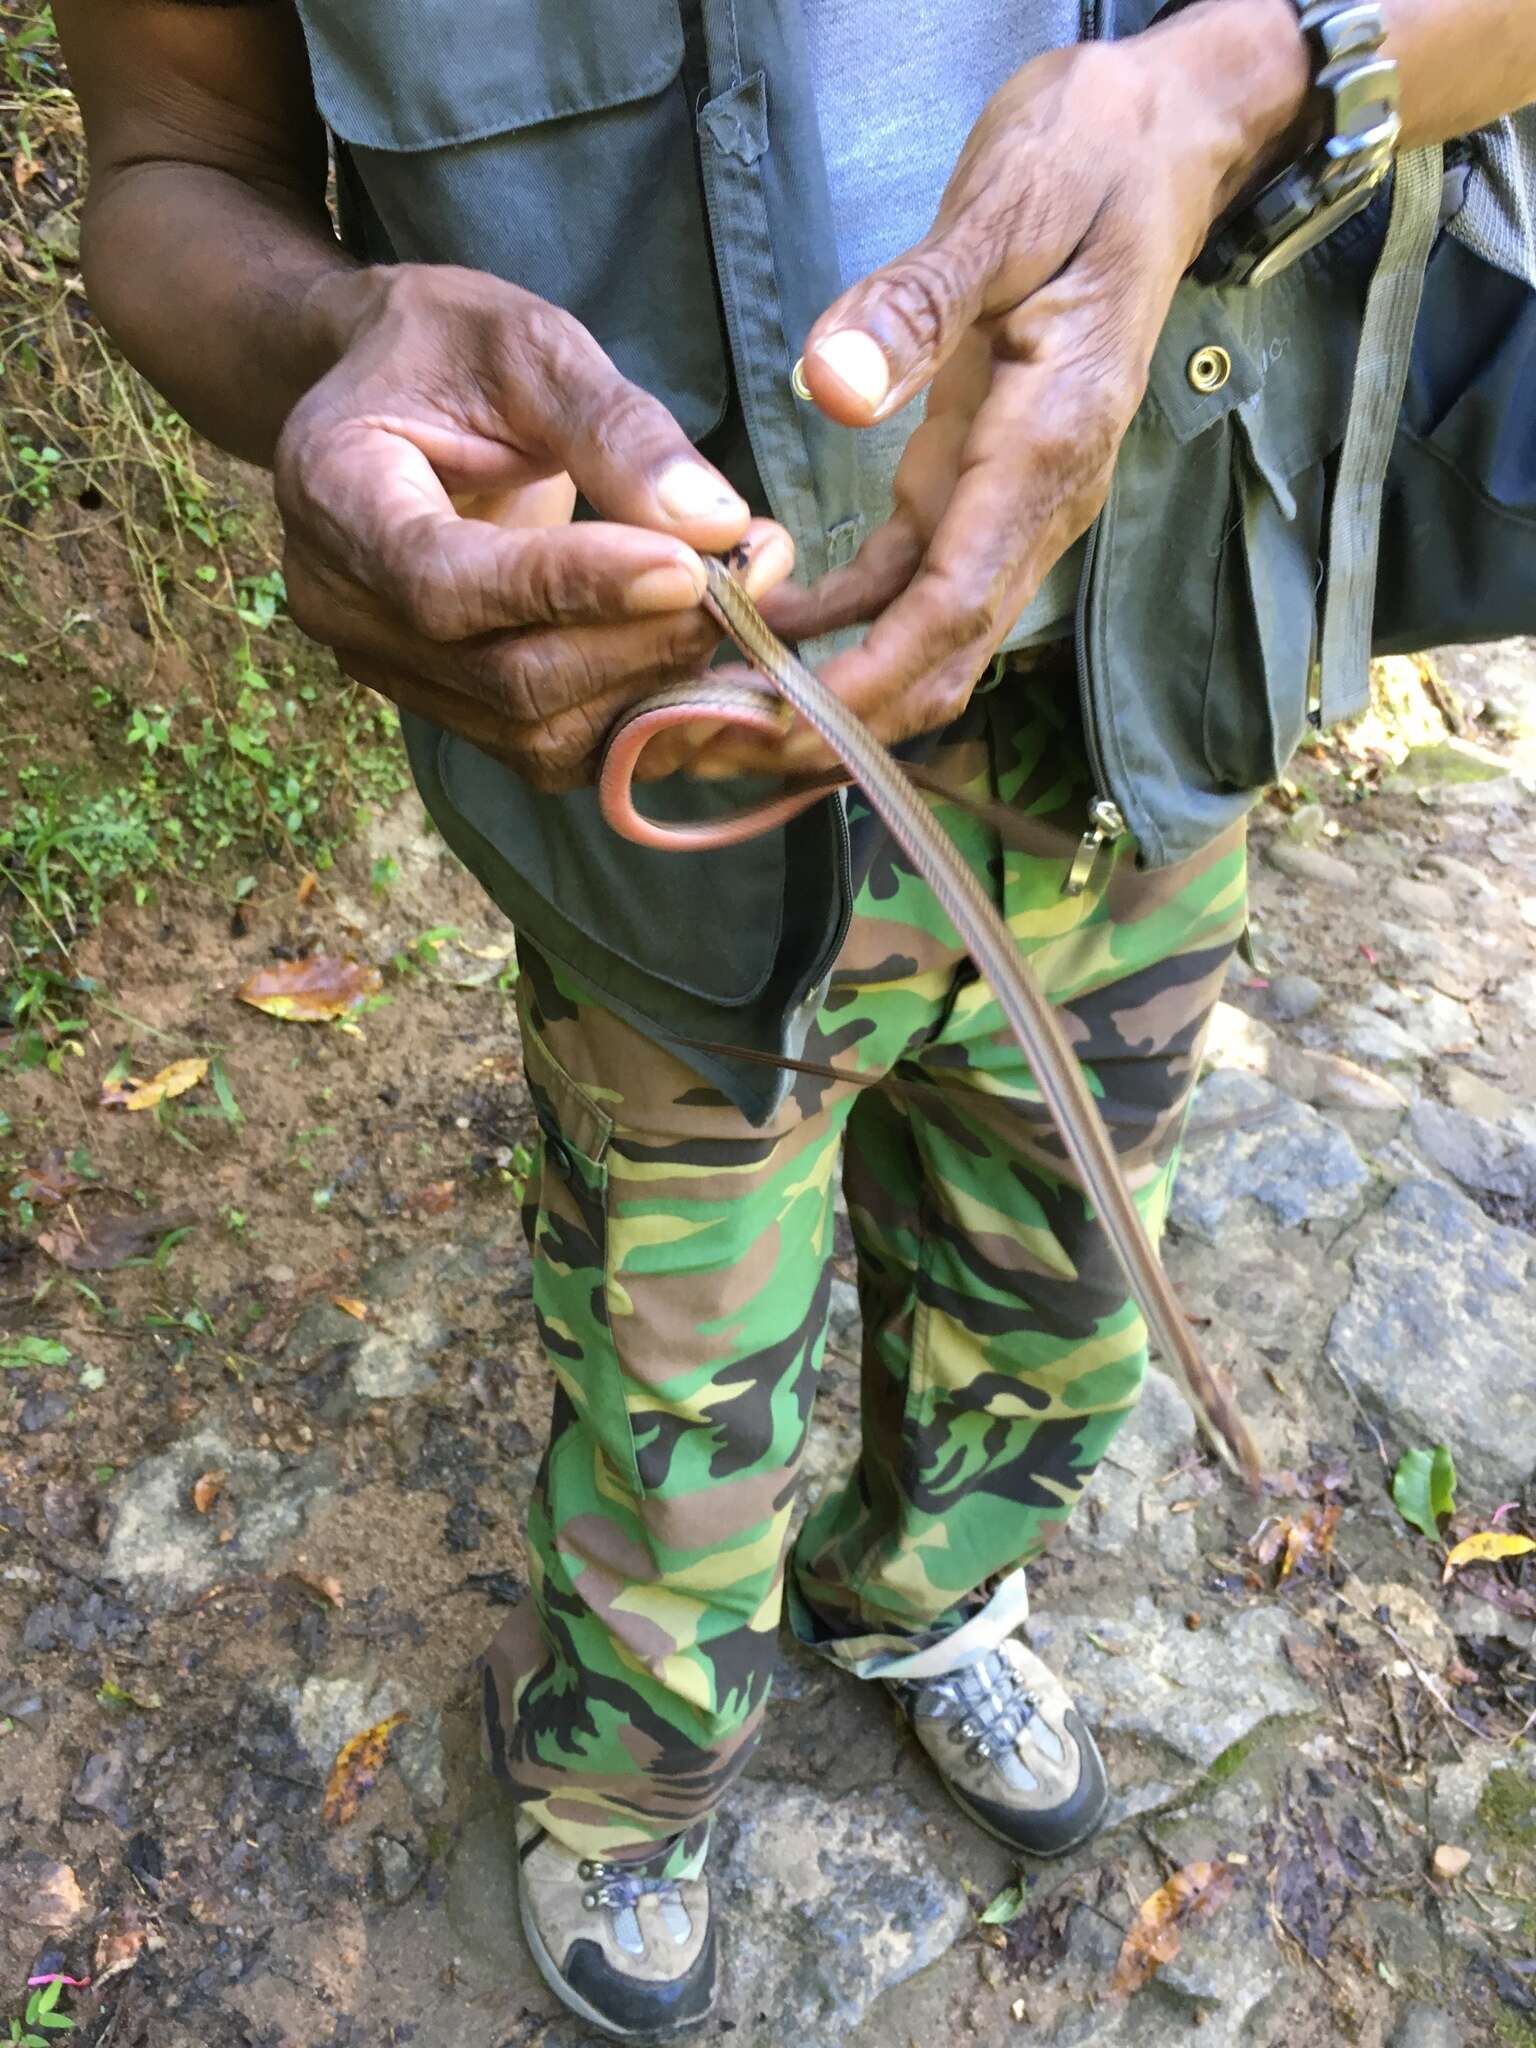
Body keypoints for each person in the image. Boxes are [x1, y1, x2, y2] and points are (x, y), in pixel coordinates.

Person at [56, 0, 1536, 2037]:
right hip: (669, 828)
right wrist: (326, 343)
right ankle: (625, 1780)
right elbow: (162, 177)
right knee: (675, 1397)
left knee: (1063, 1300)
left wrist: (1239, 79)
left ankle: (926, 1593)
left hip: (1139, 710)